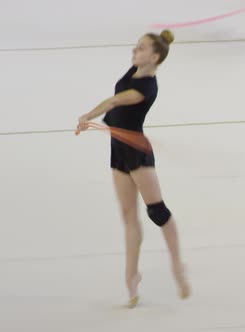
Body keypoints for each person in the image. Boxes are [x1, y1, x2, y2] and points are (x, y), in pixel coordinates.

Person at [76, 29, 190, 308]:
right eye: (135, 47)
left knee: (157, 212)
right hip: (118, 149)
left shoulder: (145, 87)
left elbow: (114, 101)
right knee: (128, 215)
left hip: (137, 151)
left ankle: (177, 265)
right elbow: (115, 103)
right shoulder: (136, 71)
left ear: (154, 57)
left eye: (140, 48)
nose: (134, 51)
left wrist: (87, 116)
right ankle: (132, 275)